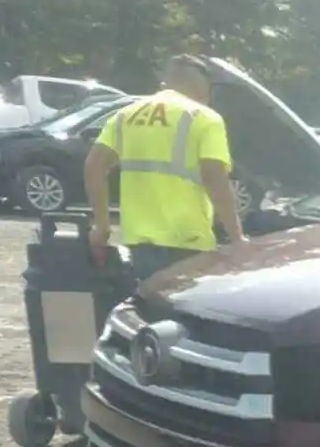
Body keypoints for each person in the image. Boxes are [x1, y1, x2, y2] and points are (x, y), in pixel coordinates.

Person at [85, 53, 245, 282]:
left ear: (165, 83)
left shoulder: (125, 115)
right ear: (204, 90)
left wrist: (102, 226)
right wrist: (237, 238)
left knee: (149, 309)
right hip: (187, 243)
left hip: (139, 244)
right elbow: (214, 176)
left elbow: (94, 166)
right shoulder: (205, 117)